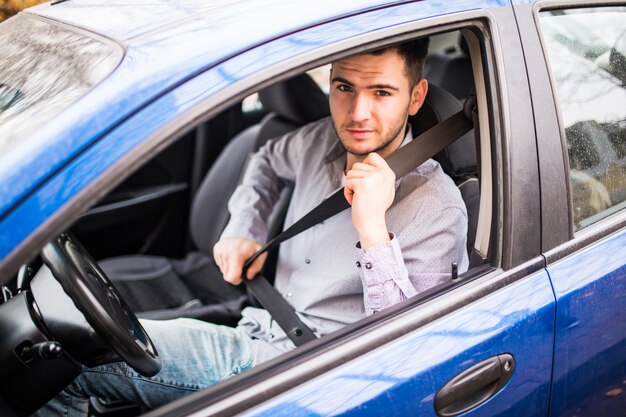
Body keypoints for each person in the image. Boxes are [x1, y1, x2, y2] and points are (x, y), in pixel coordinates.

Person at [34, 38, 469, 416]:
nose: (358, 112)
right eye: (344, 87)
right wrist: (245, 227)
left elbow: (406, 357)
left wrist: (373, 228)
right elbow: (265, 163)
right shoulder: (318, 141)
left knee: (64, 364)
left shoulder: (437, 206)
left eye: (381, 92)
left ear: (415, 98)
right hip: (261, 321)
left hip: (311, 374)